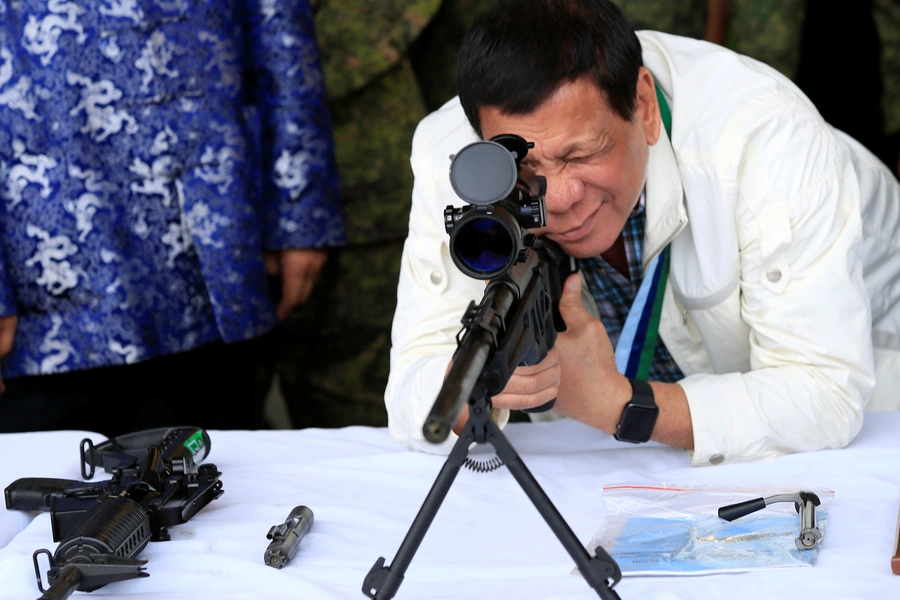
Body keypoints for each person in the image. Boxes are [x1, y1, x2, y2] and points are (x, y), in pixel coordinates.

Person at [385, 0, 900, 466]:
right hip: (623, 460)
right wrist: (479, 385)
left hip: (865, 396)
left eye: (582, 154)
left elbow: (825, 396)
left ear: (645, 106)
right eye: (526, 172)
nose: (560, 199)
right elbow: (411, 390)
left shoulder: (765, 138)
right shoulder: (452, 156)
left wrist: (615, 404)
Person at [0, 0, 343, 435]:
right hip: (38, 285)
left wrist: (300, 210)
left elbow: (281, 33)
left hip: (208, 247)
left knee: (218, 486)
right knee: (39, 492)